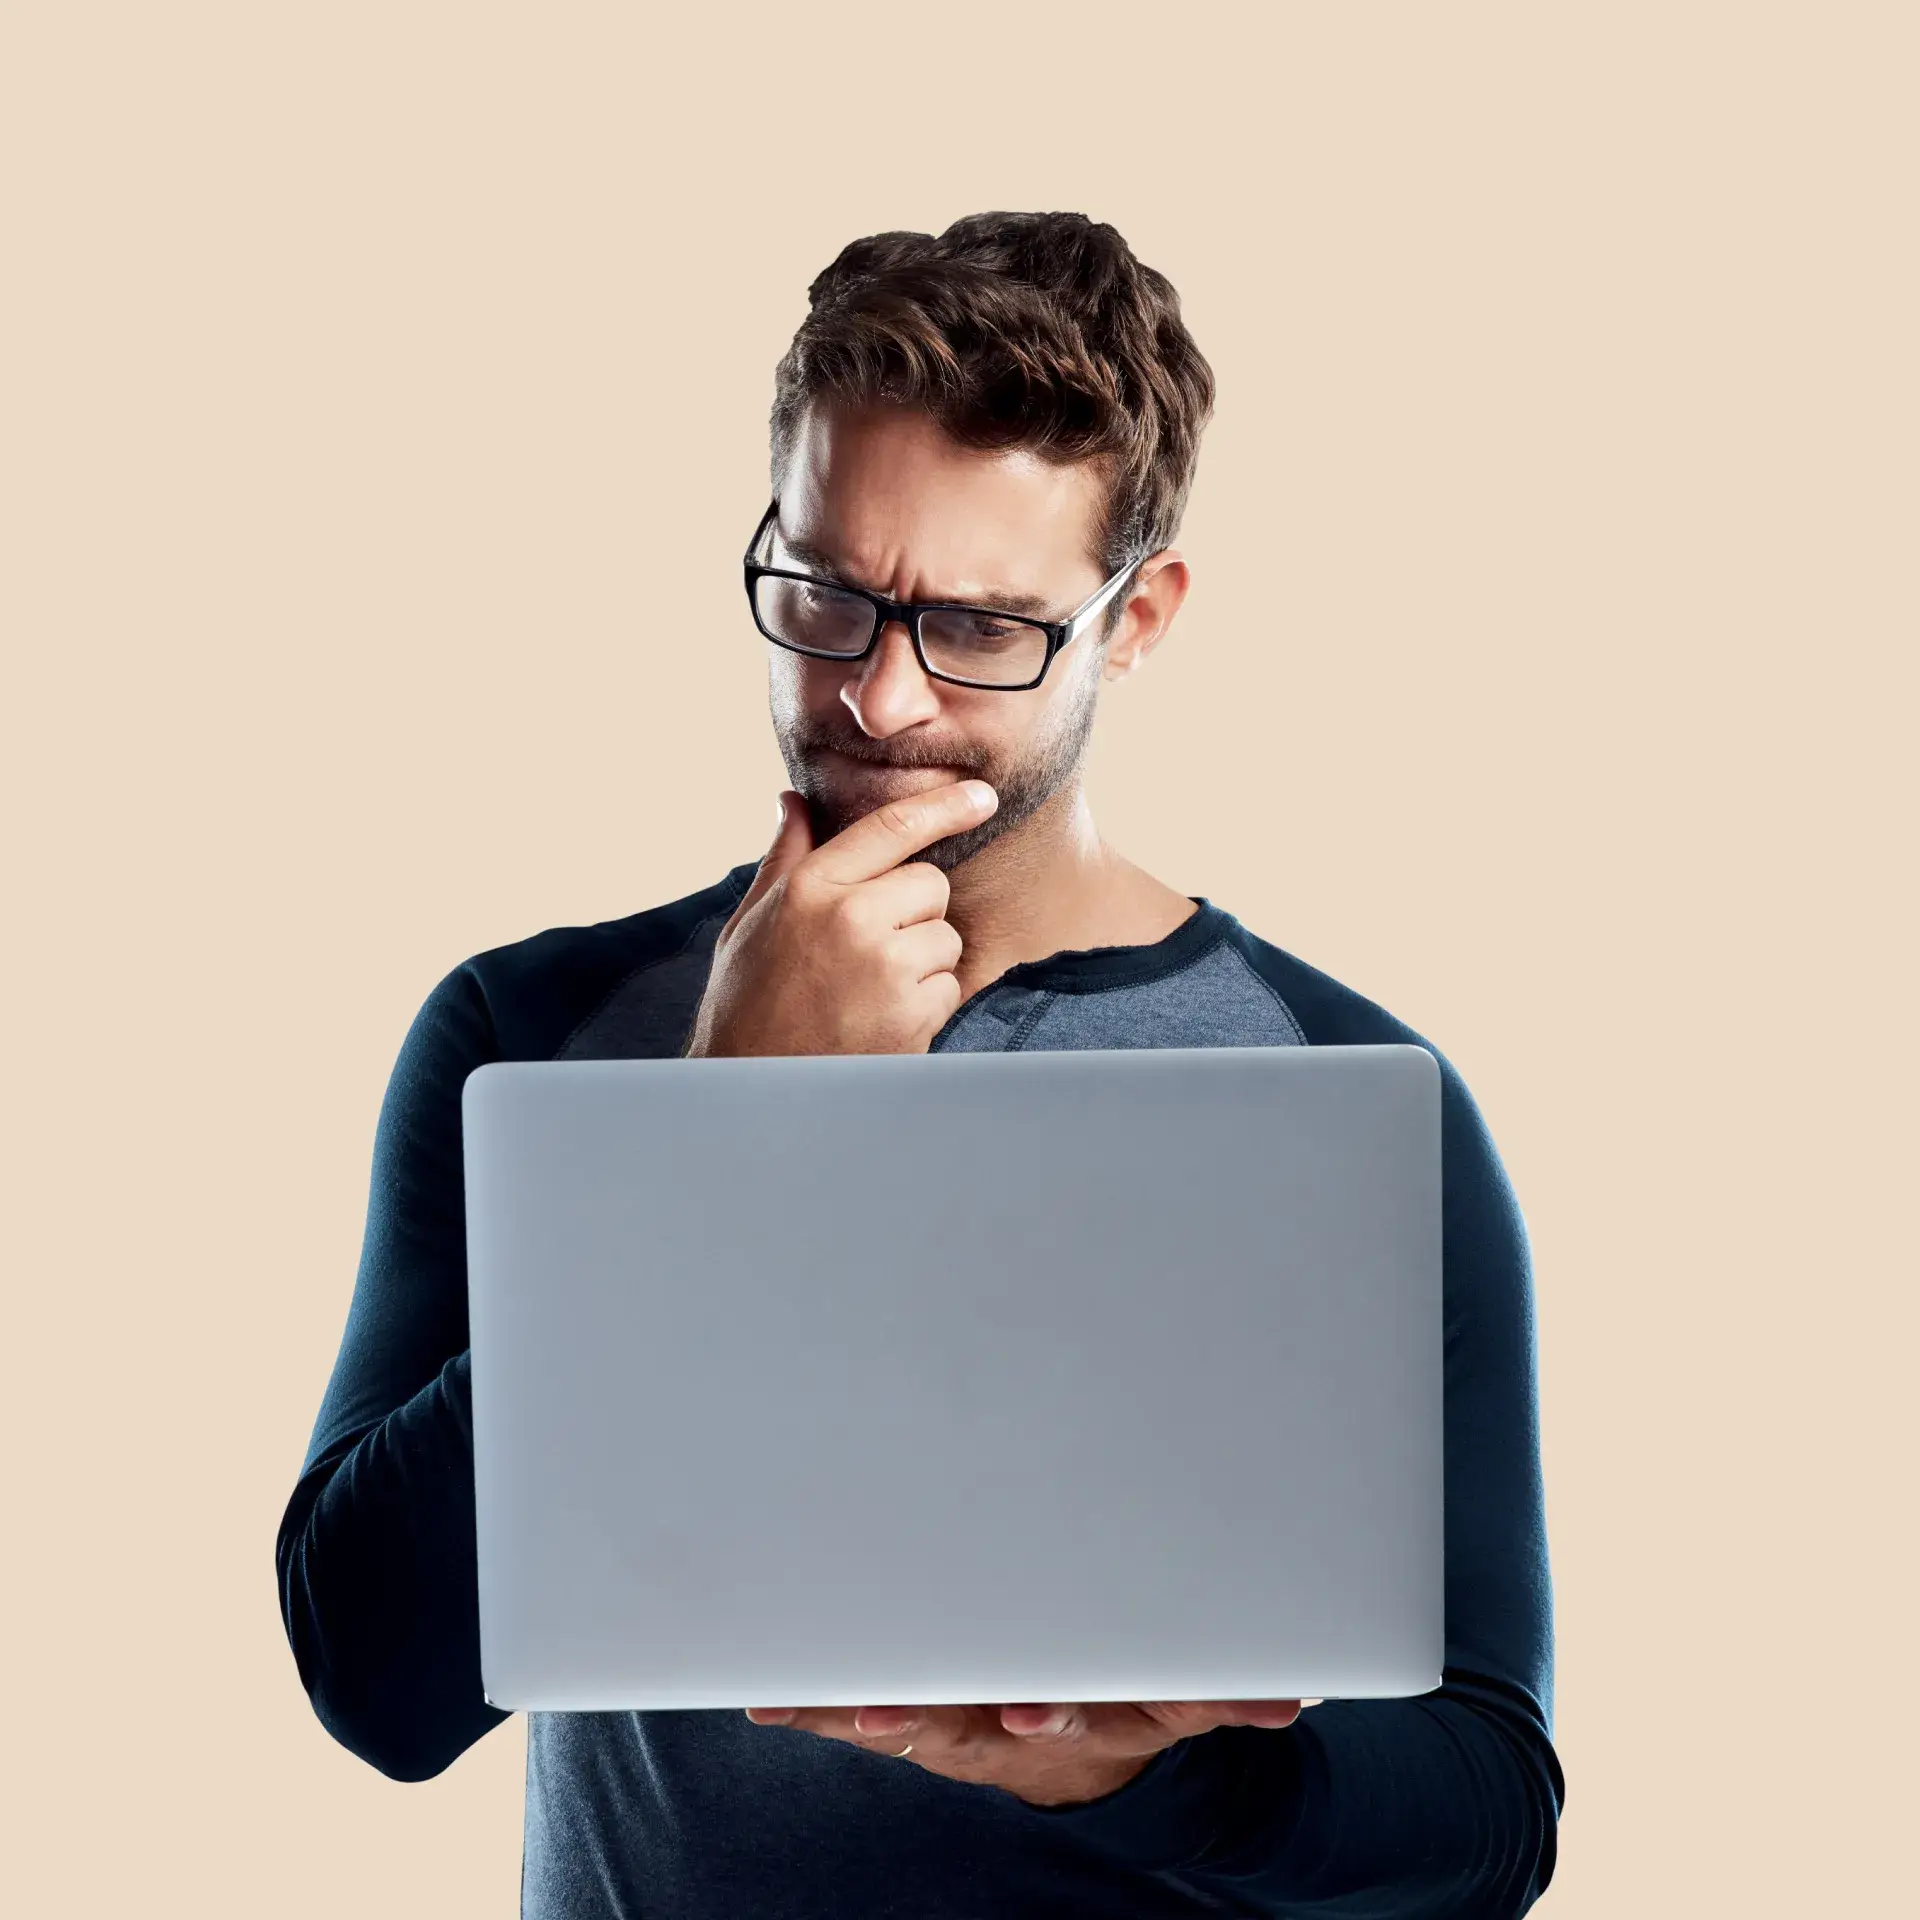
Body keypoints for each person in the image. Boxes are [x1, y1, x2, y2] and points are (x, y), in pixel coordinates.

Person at [276, 210, 1566, 1917]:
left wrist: (1157, 1780)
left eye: (976, 627)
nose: (876, 698)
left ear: (1142, 614)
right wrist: (714, 1135)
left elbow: (1486, 1813)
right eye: (826, 594)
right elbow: (379, 1682)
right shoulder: (537, 1030)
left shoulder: (1339, 1088)